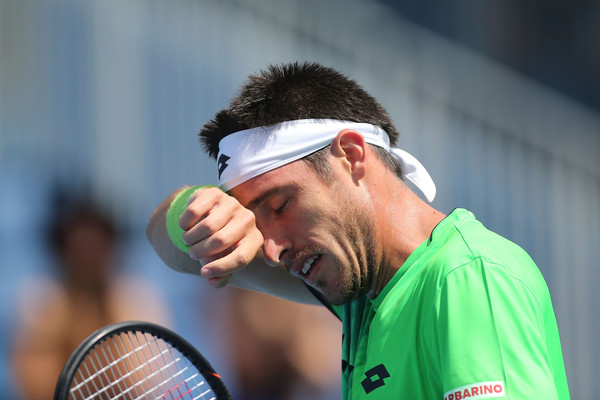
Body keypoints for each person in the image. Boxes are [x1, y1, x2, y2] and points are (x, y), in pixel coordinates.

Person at [147, 62, 570, 399]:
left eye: (280, 205)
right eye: (257, 221)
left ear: (350, 155)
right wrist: (202, 209)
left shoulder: (468, 278)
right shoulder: (360, 291)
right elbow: (166, 243)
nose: (271, 249)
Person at [12, 197, 170, 400]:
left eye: (96, 248)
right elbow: (35, 389)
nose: (87, 259)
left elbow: (141, 387)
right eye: (79, 249)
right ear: (61, 253)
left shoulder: (137, 297)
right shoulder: (40, 301)